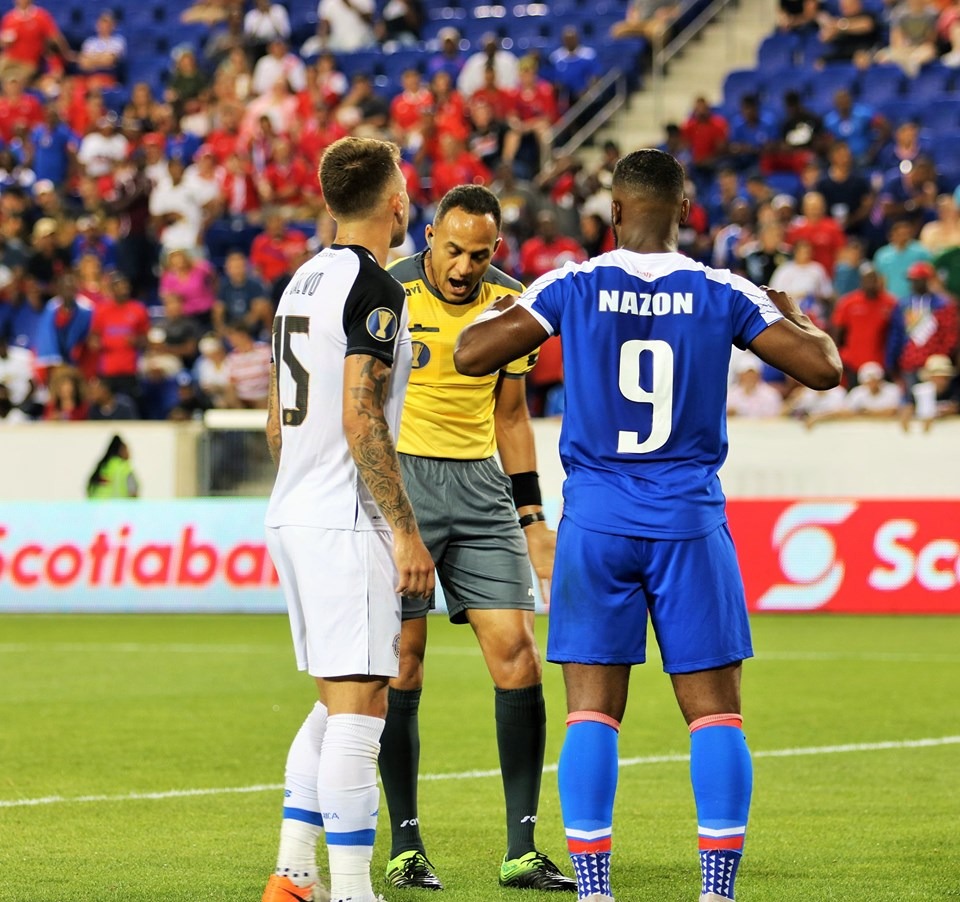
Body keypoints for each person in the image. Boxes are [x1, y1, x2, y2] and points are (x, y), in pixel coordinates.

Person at [453, 148, 842, 902]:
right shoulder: (721, 289)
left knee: (592, 713)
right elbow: (823, 368)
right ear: (686, 211)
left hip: (597, 523)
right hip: (688, 521)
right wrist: (791, 312)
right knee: (716, 715)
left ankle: (596, 891)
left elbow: (471, 354)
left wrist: (519, 307)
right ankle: (717, 892)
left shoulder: (573, 284)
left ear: (616, 212)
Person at [379, 185, 575, 894]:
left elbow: (513, 415)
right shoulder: (390, 291)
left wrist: (532, 517)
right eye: (454, 249)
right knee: (402, 664)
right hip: (404, 484)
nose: (465, 266)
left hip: (484, 490)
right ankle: (405, 847)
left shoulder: (513, 303)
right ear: (430, 237)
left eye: (481, 253)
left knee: (520, 656)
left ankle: (522, 850)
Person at [261, 135, 434, 902]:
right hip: (342, 521)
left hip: (295, 510)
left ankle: (295, 874)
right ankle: (356, 891)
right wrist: (403, 529)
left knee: (337, 699)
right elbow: (363, 416)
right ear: (396, 203)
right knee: (365, 703)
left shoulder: (300, 281)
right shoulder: (375, 288)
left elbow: (275, 421)